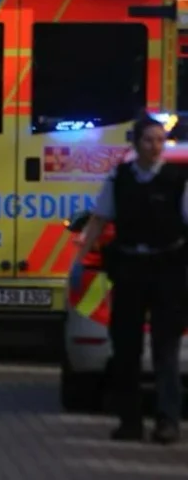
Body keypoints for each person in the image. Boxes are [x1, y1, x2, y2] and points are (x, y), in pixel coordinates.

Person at [75, 116, 188, 444]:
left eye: (159, 140)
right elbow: (99, 219)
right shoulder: (120, 177)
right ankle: (130, 422)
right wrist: (81, 259)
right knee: (126, 350)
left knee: (165, 351)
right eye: (148, 140)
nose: (155, 147)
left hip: (167, 270)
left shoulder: (177, 180)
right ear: (136, 144)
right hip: (129, 270)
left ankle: (167, 422)